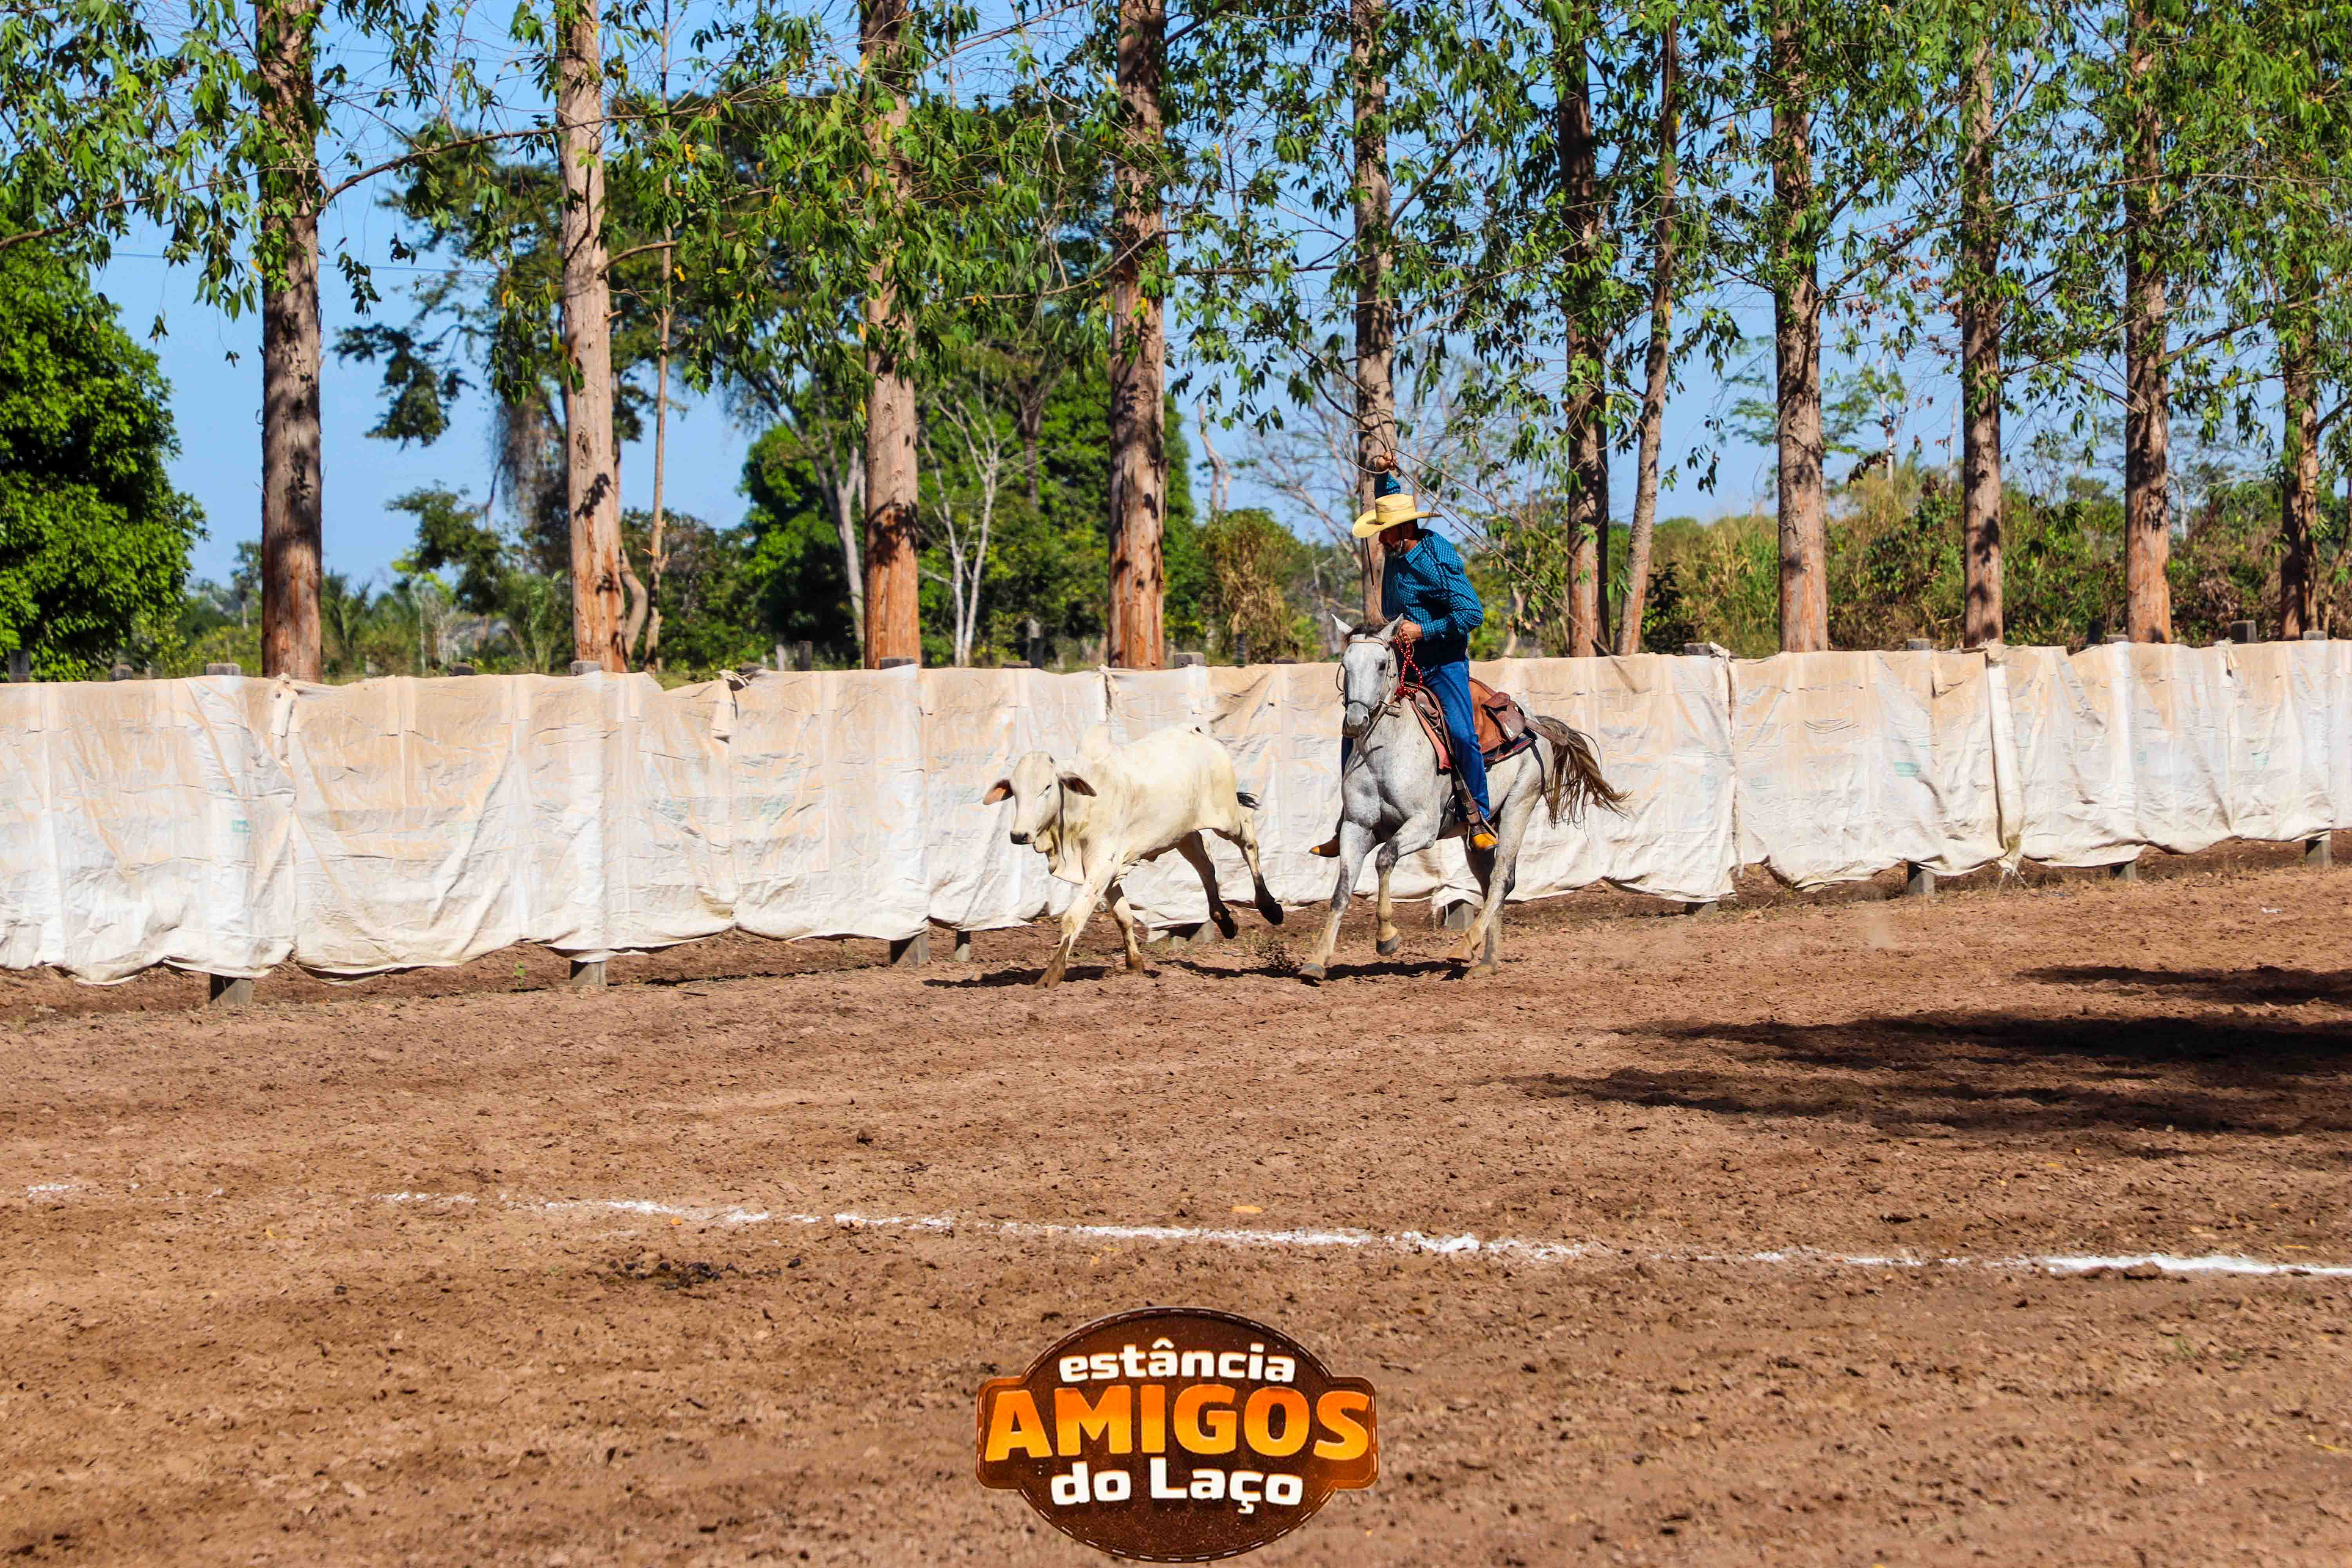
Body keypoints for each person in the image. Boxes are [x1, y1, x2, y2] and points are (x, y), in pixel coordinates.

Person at [1313, 470, 1495, 855]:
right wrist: (1384, 474)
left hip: (1442, 664)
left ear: (1406, 529)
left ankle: (1478, 816)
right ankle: (1347, 821)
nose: (1380, 539)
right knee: (1355, 722)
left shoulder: (1437, 559)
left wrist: (1424, 631)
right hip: (1401, 663)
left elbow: (1472, 613)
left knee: (1462, 733)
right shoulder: (1397, 550)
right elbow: (1391, 498)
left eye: (1386, 532)